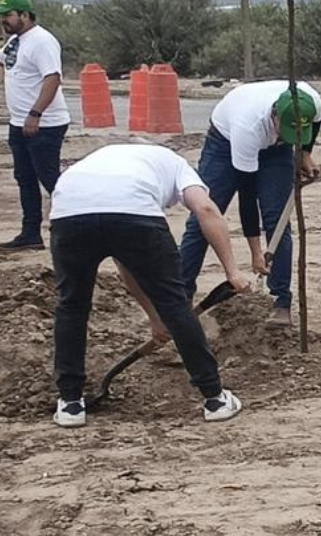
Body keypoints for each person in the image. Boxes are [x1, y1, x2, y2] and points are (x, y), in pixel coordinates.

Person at [48, 143, 249, 427]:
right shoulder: (177, 164)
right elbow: (205, 208)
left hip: (69, 213)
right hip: (135, 213)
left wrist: (155, 319)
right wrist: (232, 272)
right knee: (175, 303)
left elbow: (126, 263)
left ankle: (70, 404)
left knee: (72, 305)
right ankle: (215, 399)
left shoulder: (99, 158)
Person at [179, 80, 321, 327]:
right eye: (284, 130)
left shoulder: (313, 103)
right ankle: (179, 299)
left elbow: (316, 125)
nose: (282, 137)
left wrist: (304, 153)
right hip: (225, 142)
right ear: (274, 116)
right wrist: (256, 253)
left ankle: (280, 301)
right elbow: (247, 198)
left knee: (278, 222)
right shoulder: (248, 127)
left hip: (275, 153)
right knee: (205, 215)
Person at [1, 0, 72, 251]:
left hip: (44, 123)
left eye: (8, 16)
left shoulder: (42, 41)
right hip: (19, 123)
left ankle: (71, 227)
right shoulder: (15, 42)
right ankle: (30, 233)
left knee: (50, 177)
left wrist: (36, 113)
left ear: (24, 15)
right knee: (25, 178)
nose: (4, 21)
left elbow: (52, 78)